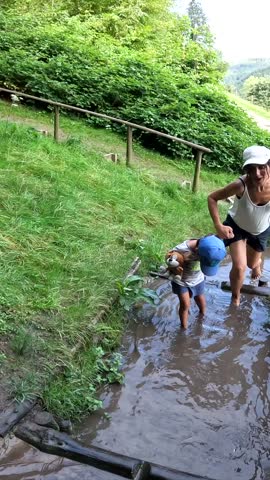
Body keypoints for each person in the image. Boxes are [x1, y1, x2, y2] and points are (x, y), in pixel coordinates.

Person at [208, 145, 270, 306]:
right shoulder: (240, 185)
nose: (257, 174)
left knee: (252, 264)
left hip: (261, 229)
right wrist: (218, 225)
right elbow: (212, 198)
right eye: (251, 169)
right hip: (237, 227)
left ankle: (257, 264)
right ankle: (235, 299)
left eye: (261, 167)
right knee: (240, 267)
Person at [169, 235, 226, 329]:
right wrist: (175, 264)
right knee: (185, 304)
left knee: (201, 300)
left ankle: (202, 317)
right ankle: (184, 328)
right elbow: (170, 261)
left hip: (198, 279)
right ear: (198, 250)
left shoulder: (212, 249)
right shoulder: (181, 250)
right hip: (181, 281)